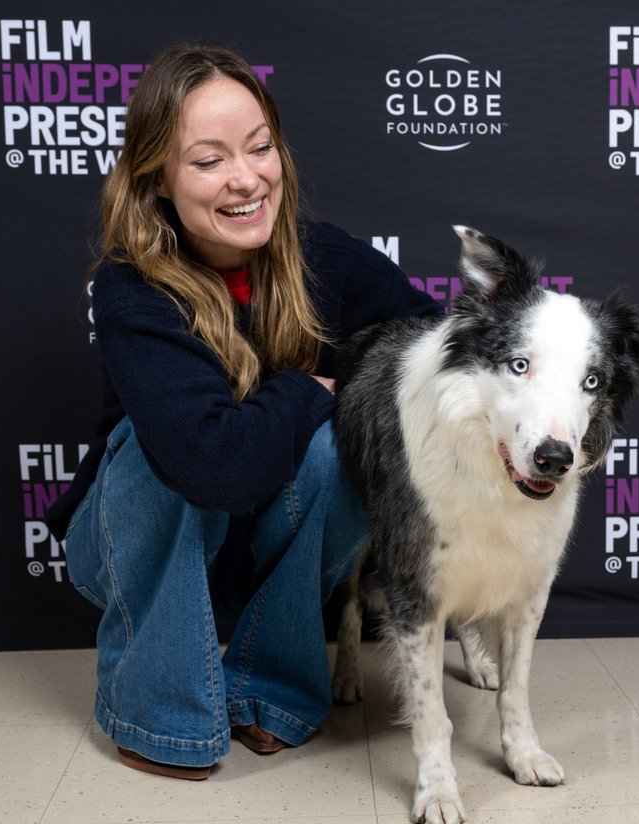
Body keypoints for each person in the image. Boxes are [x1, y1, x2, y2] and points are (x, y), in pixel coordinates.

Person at [45, 43, 440, 780]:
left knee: (338, 443)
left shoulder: (325, 258)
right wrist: (302, 387)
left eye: (260, 148)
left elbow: (436, 349)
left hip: (267, 535)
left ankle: (273, 694)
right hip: (141, 544)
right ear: (156, 180)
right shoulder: (133, 292)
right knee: (165, 445)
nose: (246, 178)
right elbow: (208, 469)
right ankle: (156, 713)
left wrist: (341, 393)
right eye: (207, 160)